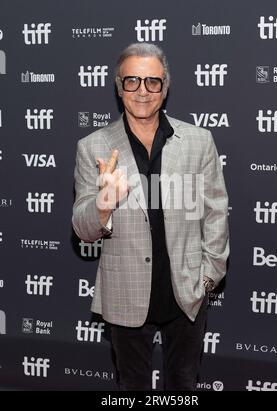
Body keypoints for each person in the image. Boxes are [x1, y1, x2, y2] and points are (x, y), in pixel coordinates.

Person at [72, 43, 229, 391]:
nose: (142, 91)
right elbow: (82, 229)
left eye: (152, 82)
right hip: (124, 292)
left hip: (186, 291)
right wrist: (104, 202)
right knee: (132, 387)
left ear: (165, 86)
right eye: (132, 81)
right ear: (118, 86)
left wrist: (208, 276)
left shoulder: (199, 141)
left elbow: (216, 210)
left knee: (183, 385)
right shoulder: (93, 147)